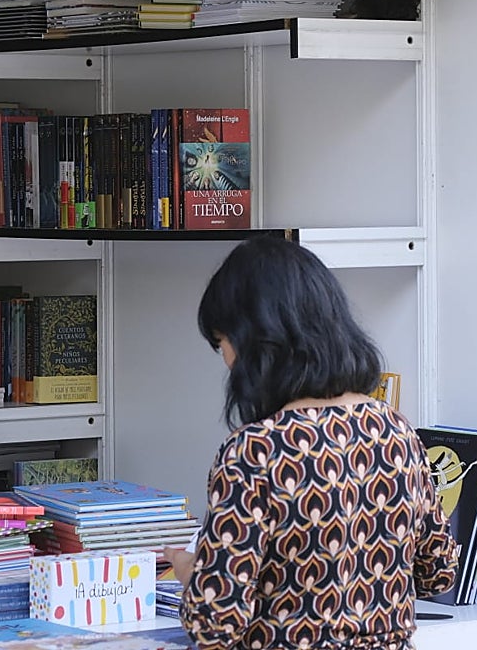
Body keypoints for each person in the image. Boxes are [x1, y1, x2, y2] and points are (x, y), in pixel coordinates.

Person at [164, 236, 458, 650]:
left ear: (255, 342)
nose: (227, 362)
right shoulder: (397, 430)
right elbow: (437, 573)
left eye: (223, 343)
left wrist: (190, 571)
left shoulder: (256, 451)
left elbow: (215, 625)